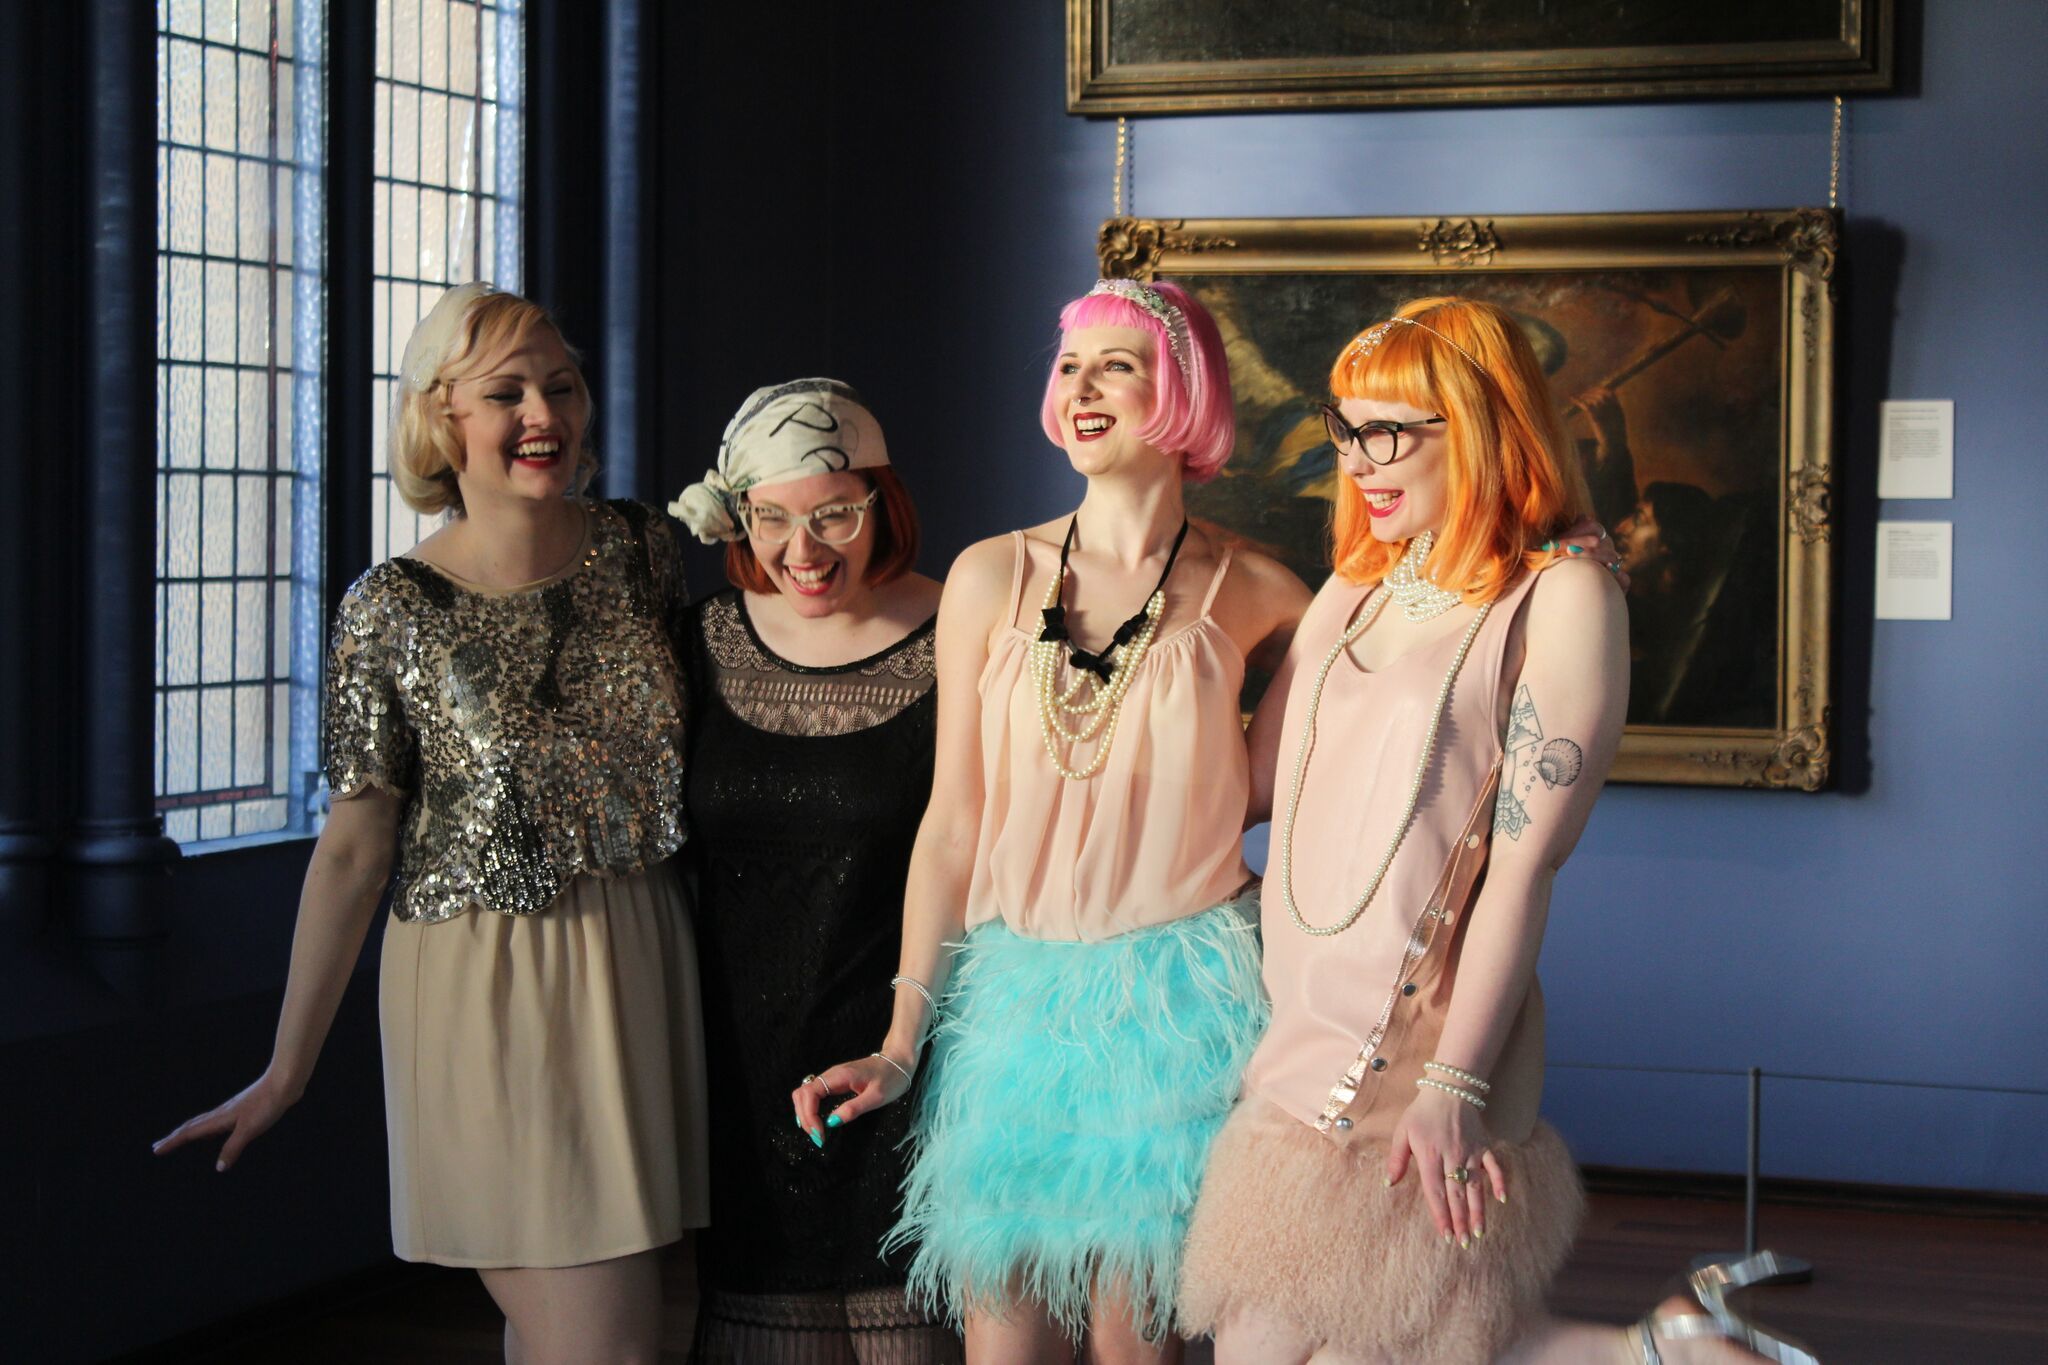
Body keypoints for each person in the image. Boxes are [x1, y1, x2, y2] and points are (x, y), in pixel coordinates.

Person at [1176, 297, 1813, 1365]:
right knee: (1385, 1341)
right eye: (1344, 427)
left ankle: (1657, 1352)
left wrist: (1453, 1083)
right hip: (1301, 1019)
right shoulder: (1356, 586)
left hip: (1416, 1025)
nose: (1356, 459)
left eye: (1387, 432)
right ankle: (1660, 1351)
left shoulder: (1559, 595)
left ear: (1475, 428)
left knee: (1285, 1343)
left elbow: (1525, 861)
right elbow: (1252, 783)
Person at [154, 284, 709, 1365]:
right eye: (506, 393)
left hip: (642, 957)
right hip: (487, 984)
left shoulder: (644, 549)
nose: (544, 413)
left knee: (571, 1332)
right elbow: (355, 848)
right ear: (440, 419)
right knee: (606, 1348)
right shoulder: (392, 608)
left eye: (561, 384)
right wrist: (289, 1068)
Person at [793, 279, 1310, 1364]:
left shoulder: (1261, 592)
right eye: (1070, 365)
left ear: (1182, 391)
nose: (1082, 386)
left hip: (1177, 1004)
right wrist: (901, 1039)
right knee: (1004, 1336)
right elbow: (950, 822)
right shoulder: (991, 574)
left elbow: (1290, 794)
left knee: (1133, 1339)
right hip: (1014, 1000)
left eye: (1116, 365)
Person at [669, 379, 959, 1363]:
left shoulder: (961, 629)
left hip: (906, 1050)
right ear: (739, 516)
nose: (803, 550)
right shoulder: (698, 641)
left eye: (834, 514)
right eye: (773, 518)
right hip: (742, 1072)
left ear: (884, 503)